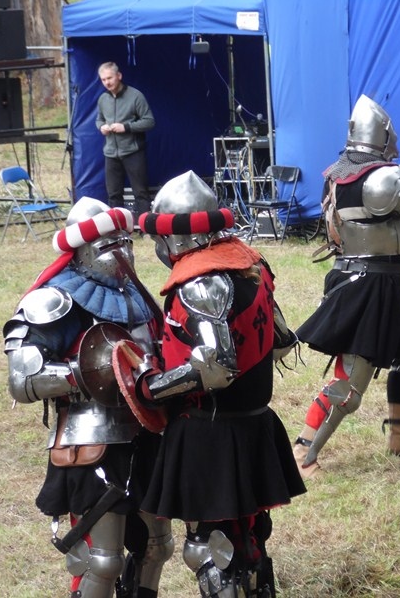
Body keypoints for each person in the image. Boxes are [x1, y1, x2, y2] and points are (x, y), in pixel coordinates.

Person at [122, 170, 305, 597]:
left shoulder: (201, 281)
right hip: (254, 418)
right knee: (248, 535)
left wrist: (151, 387)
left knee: (209, 547)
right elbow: (281, 340)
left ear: (176, 236)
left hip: (210, 429)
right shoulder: (250, 262)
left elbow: (217, 367)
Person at [2, 197, 173, 597]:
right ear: (81, 249)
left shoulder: (137, 294)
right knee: (103, 560)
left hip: (148, 431)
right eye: (109, 244)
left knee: (157, 546)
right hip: (91, 436)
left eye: (126, 242)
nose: (122, 252)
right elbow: (22, 378)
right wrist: (90, 374)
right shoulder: (55, 298)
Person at [291, 94, 400, 478]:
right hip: (370, 286)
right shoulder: (380, 178)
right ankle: (303, 452)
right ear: (382, 135)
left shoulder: (341, 172)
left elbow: (386, 199)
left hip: (380, 280)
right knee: (351, 385)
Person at [96, 62, 155, 218]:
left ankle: (145, 226)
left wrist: (126, 127)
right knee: (113, 194)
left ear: (119, 76)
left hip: (133, 151)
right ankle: (117, 227)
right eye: (103, 80)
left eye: (109, 78)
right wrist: (101, 127)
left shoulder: (135, 96)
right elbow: (99, 119)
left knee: (140, 193)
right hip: (111, 153)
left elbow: (149, 121)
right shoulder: (103, 99)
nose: (107, 82)